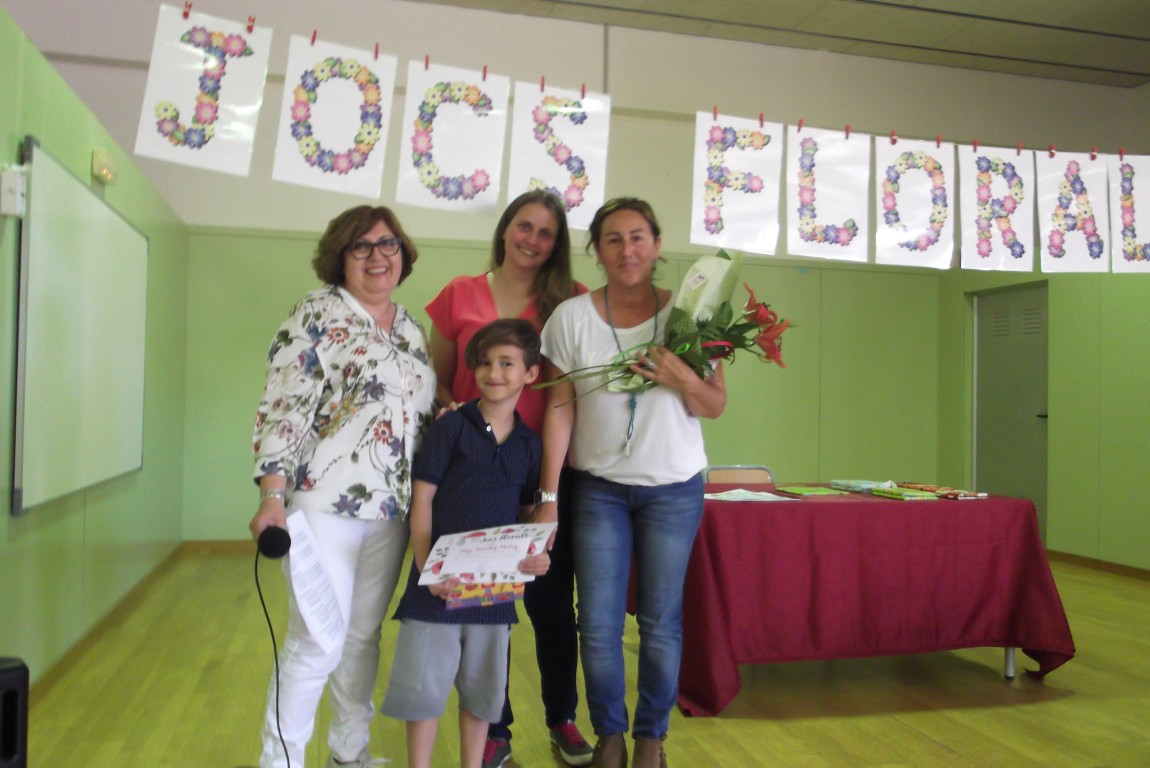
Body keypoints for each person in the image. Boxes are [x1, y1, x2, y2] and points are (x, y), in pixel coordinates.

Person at [537, 198, 728, 768]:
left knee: (660, 621)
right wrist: (548, 498)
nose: (627, 250)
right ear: (597, 250)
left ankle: (651, 739)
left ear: (657, 245)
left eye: (638, 237)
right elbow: (559, 408)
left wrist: (680, 376)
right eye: (614, 239)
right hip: (598, 490)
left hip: (674, 489)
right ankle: (610, 737)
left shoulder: (692, 316)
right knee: (597, 623)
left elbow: (714, 404)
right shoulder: (571, 318)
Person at [248, 205, 437, 768]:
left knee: (361, 637)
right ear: (340, 256)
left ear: (403, 254)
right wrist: (271, 495)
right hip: (323, 504)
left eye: (388, 244)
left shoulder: (409, 328)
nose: (378, 256)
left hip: (392, 510)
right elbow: (284, 408)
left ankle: (349, 753)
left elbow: (419, 415)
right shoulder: (314, 314)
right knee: (317, 641)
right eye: (362, 246)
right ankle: (279, 762)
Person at [425, 190, 592, 768]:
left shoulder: (570, 301)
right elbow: (437, 380)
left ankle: (562, 718)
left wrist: (548, 494)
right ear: (504, 229)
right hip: (475, 475)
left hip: (544, 468)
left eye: (546, 233)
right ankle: (494, 728)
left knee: (552, 604)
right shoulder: (458, 293)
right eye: (525, 226)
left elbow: (564, 398)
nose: (532, 240)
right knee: (485, 609)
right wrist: (453, 414)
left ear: (556, 245)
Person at [381, 319, 553, 768]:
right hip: (434, 591)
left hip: (493, 597)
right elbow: (422, 500)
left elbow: (524, 516)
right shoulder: (451, 428)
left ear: (530, 373)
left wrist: (536, 555)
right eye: (484, 363)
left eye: (506, 363)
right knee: (422, 694)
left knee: (482, 697)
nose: (493, 372)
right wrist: (428, 570)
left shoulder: (530, 446)